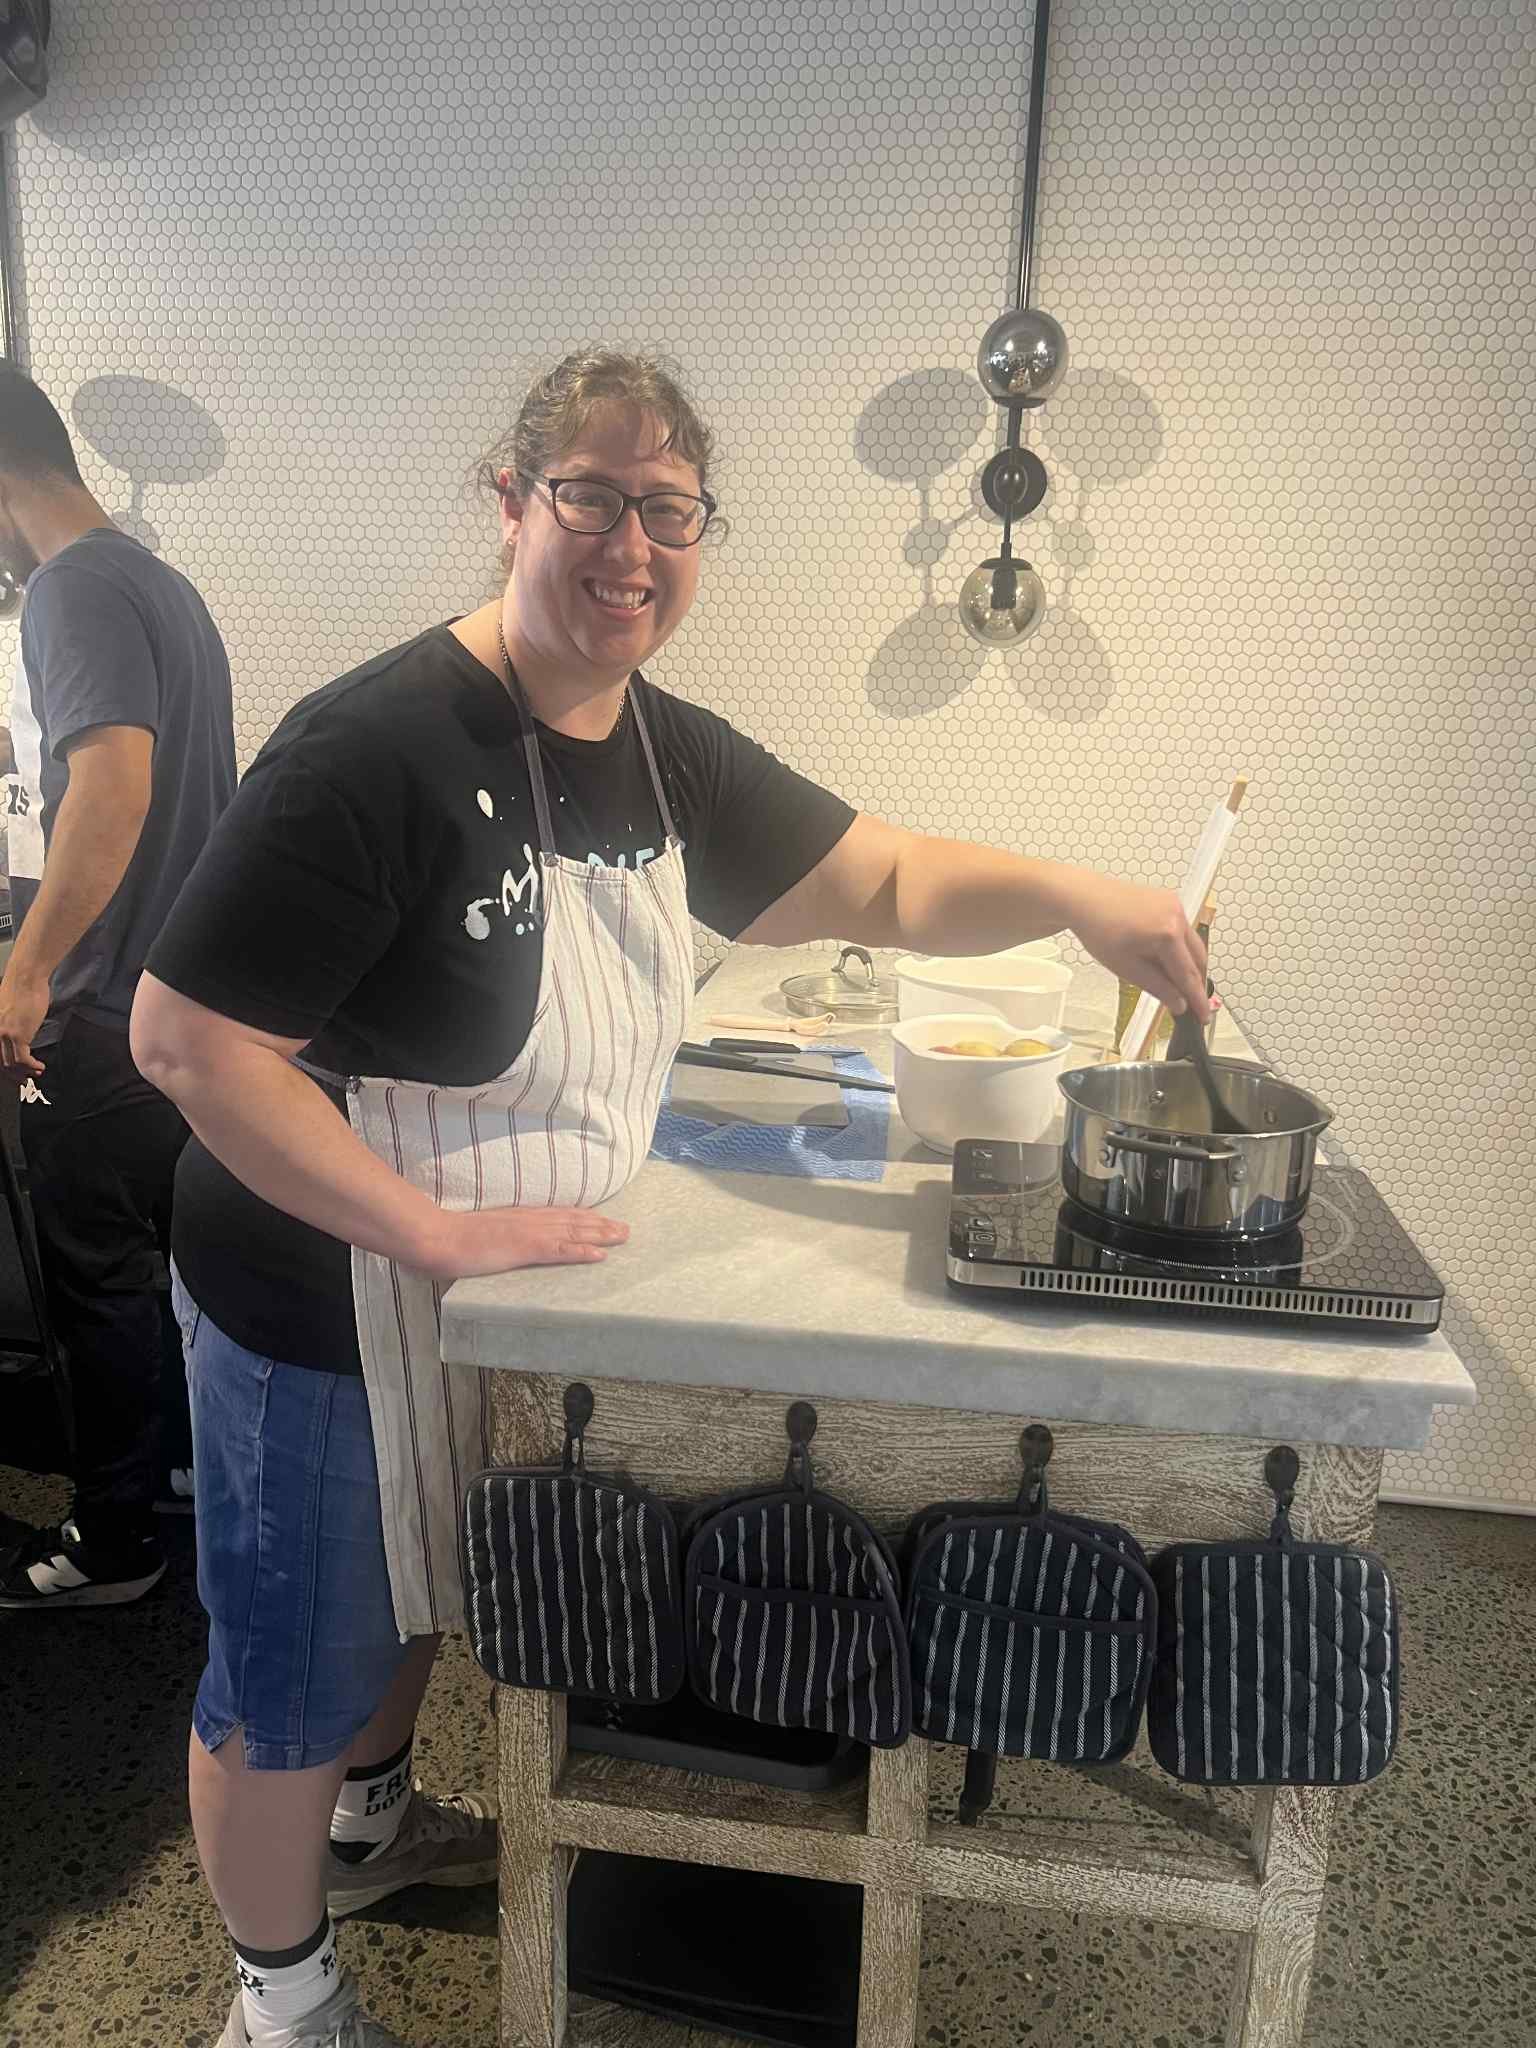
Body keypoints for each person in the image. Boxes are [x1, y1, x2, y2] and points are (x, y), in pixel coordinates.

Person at [130, 349, 1210, 2048]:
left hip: (490, 1283)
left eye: (670, 511)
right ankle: (277, 1993)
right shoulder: (375, 747)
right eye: (592, 495)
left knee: (414, 1586)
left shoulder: (653, 747)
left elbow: (884, 874)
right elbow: (189, 1041)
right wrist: (416, 1231)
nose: (631, 542)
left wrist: (1079, 893)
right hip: (318, 1286)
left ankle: (363, 1822)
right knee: (289, 1665)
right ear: (510, 501)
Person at [0, 364, 235, 1609]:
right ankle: (176, 1477)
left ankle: (111, 1540)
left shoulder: (70, 588)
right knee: (160, 1265)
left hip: (101, 1008)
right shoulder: (157, 578)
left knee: (95, 1276)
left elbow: (113, 789)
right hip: (183, 1000)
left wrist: (26, 971)